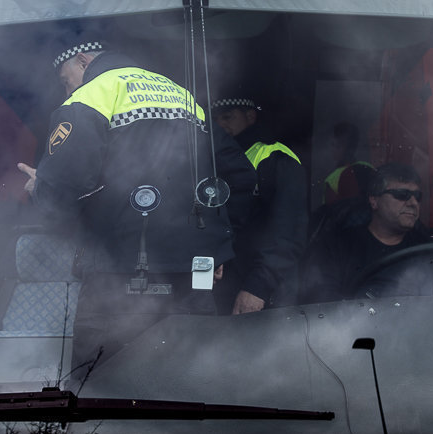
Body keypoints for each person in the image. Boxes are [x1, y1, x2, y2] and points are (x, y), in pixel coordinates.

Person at [18, 40, 244, 368]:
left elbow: (61, 192)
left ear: (82, 61)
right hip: (191, 281)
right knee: (191, 388)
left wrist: (39, 188)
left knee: (97, 393)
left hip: (117, 278)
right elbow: (238, 176)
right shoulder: (183, 97)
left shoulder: (93, 95)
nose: (67, 91)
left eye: (66, 81)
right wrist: (216, 246)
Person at [302, 163, 433, 302]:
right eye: (402, 195)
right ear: (374, 200)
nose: (413, 203)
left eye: (417, 196)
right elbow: (323, 306)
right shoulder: (335, 247)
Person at [212, 97, 308, 314]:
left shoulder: (276, 158)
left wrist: (258, 288)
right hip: (224, 284)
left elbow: (288, 232)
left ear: (250, 116)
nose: (221, 125)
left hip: (263, 291)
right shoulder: (215, 159)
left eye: (228, 117)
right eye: (216, 119)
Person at [322, 122, 375, 205]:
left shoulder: (333, 179)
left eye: (337, 146)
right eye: (332, 145)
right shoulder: (368, 167)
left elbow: (330, 212)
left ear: (351, 148)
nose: (333, 149)